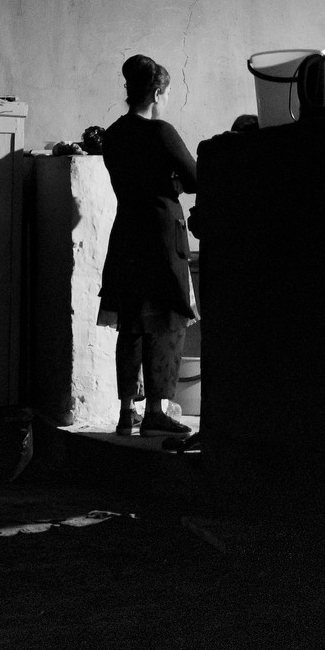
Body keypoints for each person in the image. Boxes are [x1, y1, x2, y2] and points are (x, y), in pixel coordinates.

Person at [98, 55, 199, 438]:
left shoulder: (113, 135)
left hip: (126, 234)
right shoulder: (161, 132)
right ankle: (155, 411)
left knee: (133, 323)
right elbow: (193, 179)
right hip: (161, 234)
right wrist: (173, 182)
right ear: (156, 93)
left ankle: (127, 412)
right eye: (168, 92)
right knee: (169, 321)